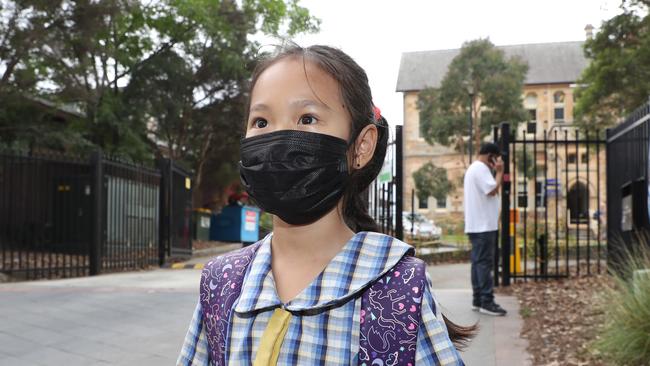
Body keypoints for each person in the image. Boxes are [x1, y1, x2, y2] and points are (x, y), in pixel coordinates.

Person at [177, 44, 473, 365]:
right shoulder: (221, 283)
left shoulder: (397, 289)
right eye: (261, 122)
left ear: (361, 146)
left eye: (307, 118)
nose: (277, 140)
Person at [463, 143, 507, 316]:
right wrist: (500, 172)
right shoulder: (481, 169)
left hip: (476, 224)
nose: (495, 162)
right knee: (484, 263)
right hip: (483, 225)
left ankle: (478, 299)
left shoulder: (474, 169)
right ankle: (487, 302)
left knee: (477, 263)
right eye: (495, 158)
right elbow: (491, 190)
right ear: (490, 156)